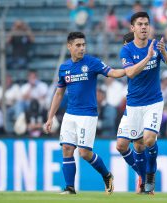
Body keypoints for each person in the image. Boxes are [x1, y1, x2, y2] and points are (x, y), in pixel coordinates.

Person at [44, 32, 125, 195]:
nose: (82, 48)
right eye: (78, 45)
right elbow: (59, 94)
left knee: (84, 153)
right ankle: (70, 188)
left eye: (83, 45)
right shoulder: (64, 67)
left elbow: (113, 72)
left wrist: (130, 69)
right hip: (70, 114)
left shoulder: (92, 63)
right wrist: (50, 117)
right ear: (69, 46)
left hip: (87, 114)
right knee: (67, 148)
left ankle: (107, 175)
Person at [116, 12, 167, 194]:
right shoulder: (126, 50)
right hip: (134, 104)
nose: (144, 27)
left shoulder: (156, 46)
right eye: (140, 24)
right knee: (136, 146)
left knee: (149, 139)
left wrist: (164, 52)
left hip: (154, 102)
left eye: (146, 24)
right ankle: (142, 179)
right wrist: (147, 57)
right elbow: (131, 73)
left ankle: (150, 176)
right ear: (133, 28)